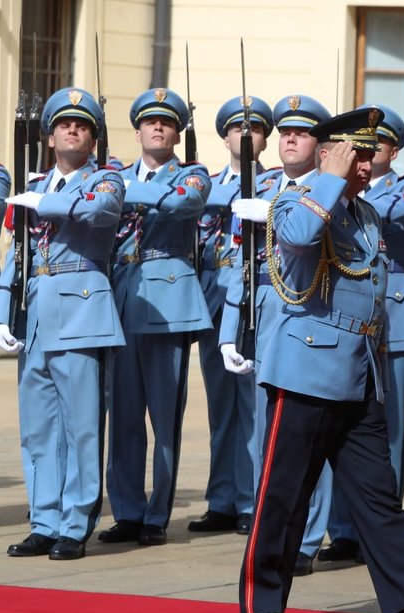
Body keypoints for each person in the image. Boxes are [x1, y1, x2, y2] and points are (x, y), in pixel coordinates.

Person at [238, 107, 404, 613]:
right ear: (328, 153)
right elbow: (299, 236)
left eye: (370, 155)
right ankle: (262, 602)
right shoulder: (295, 199)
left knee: (377, 495)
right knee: (285, 492)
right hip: (306, 371)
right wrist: (327, 177)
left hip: (359, 372)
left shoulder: (365, 215)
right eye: (356, 153)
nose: (367, 165)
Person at [1, 87, 126, 560]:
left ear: (93, 138)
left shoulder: (106, 179)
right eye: (64, 125)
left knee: (83, 427)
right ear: (49, 136)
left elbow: (101, 212)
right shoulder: (35, 183)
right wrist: (1, 312)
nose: (73, 130)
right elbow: (19, 253)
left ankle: (75, 524)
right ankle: (44, 520)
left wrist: (43, 203)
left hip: (81, 310)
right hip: (34, 313)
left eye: (83, 125)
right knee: (38, 429)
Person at [220, 94, 336, 574]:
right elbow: (240, 265)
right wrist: (229, 329)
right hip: (265, 311)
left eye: (303, 132)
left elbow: (306, 239)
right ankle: (268, 530)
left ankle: (306, 541)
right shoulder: (259, 184)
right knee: (261, 434)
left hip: (309, 311)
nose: (290, 139)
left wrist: (266, 212)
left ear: (319, 144)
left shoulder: (330, 190)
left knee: (308, 433)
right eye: (285, 132)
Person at [317, 103, 404, 564]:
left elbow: (403, 211)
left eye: (378, 144)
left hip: (395, 320)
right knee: (340, 428)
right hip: (347, 316)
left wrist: (336, 190)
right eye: (361, 146)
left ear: (395, 149)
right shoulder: (336, 193)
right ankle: (342, 528)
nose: (369, 153)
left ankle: (381, 526)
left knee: (387, 433)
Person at [100, 88, 212, 548]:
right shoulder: (118, 174)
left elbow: (185, 203)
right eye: (150, 122)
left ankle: (156, 514)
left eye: (167, 122)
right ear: (139, 129)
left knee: (164, 417)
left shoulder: (193, 175)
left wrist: (123, 192)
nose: (158, 128)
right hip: (123, 301)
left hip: (167, 305)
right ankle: (126, 509)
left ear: (177, 131)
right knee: (122, 414)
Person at [188, 95, 273, 537]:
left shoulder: (274, 183)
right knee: (221, 408)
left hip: (252, 302)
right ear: (225, 137)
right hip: (212, 299)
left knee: (252, 407)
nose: (245, 136)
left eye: (255, 129)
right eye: (238, 129)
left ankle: (251, 499)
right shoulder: (204, 183)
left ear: (264, 139)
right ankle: (222, 497)